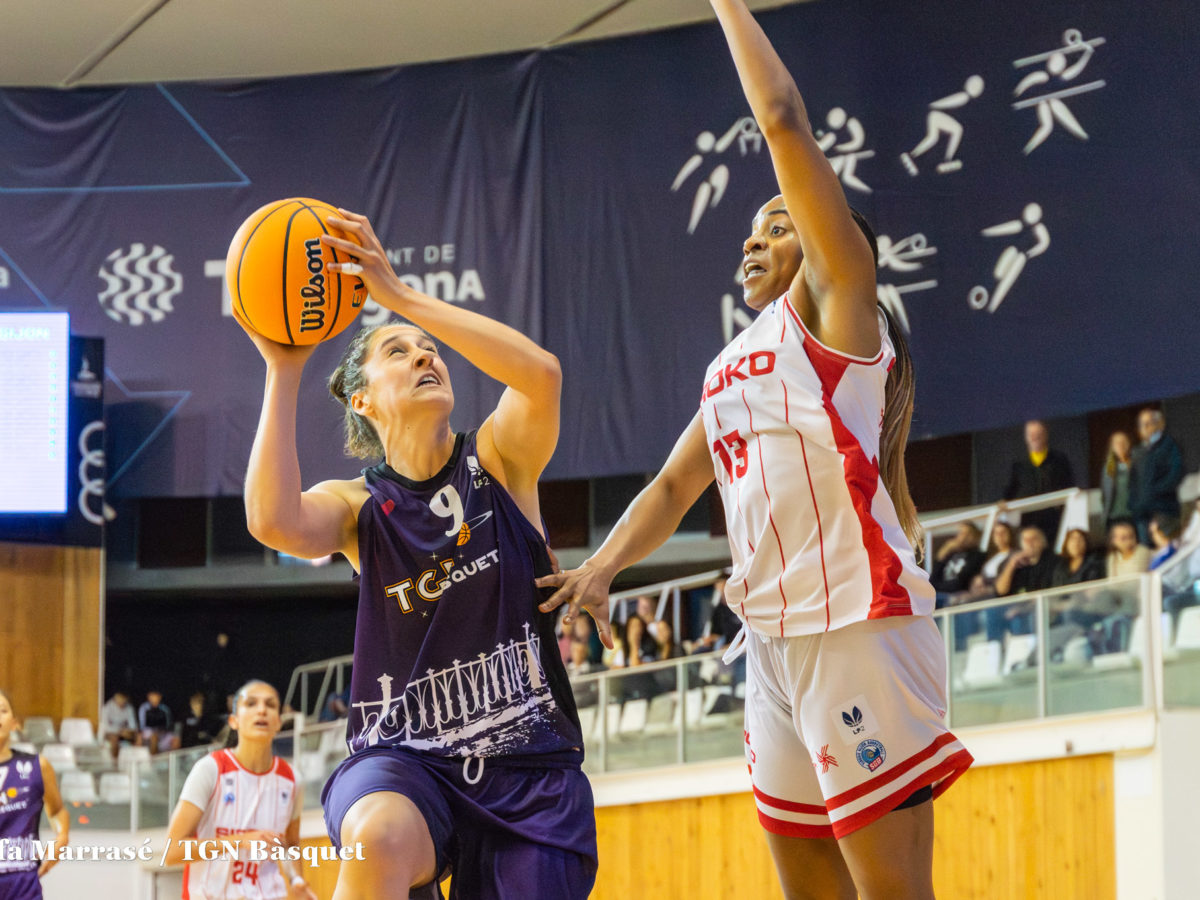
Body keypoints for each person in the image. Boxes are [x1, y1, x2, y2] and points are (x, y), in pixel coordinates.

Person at [538, 4, 971, 895]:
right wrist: (603, 567)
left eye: (780, 224)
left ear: (823, 246)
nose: (754, 236)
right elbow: (670, 485)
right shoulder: (732, 363)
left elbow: (780, 119)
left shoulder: (841, 314)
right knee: (805, 881)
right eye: (755, 227)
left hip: (855, 622)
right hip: (770, 638)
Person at [240, 208, 596, 900]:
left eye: (428, 347)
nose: (424, 354)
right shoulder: (357, 506)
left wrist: (400, 298)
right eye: (398, 351)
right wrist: (282, 369)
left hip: (528, 765)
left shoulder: (499, 461)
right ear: (364, 399)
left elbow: (541, 376)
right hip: (404, 762)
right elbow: (272, 520)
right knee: (373, 840)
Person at [164, 680, 315, 900]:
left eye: (270, 705)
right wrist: (239, 841)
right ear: (234, 721)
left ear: (278, 722)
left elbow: (290, 844)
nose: (262, 709)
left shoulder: (292, 779)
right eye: (251, 703)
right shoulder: (210, 769)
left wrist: (296, 880)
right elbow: (172, 851)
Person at [0, 689, 69, 900]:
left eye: (2, 710)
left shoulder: (37, 766)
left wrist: (62, 836)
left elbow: (57, 810)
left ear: (15, 723)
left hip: (23, 886)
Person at [1002, 420, 1075, 540]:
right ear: (1026, 438)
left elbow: (1069, 486)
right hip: (1028, 521)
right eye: (1031, 434)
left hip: (1053, 521)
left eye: (1038, 434)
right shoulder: (1019, 464)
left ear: (1046, 435)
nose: (1035, 437)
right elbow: (1011, 489)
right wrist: (1004, 501)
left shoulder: (1059, 460)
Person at [1129, 408, 1184, 544]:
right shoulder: (1137, 452)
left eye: (1149, 423)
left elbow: (1176, 473)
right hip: (1141, 514)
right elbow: (1132, 483)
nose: (1145, 427)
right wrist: (1133, 505)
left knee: (1167, 553)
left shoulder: (1169, 445)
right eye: (1142, 424)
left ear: (1158, 425)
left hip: (1164, 510)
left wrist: (1156, 491)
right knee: (1149, 558)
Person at [930, 522, 987, 601]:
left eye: (967, 534)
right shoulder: (950, 555)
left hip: (958, 595)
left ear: (974, 537)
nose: (963, 538)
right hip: (940, 593)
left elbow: (961, 583)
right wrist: (941, 555)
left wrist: (937, 587)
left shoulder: (977, 556)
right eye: (961, 534)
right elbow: (932, 580)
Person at [1100, 431, 1134, 530]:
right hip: (1113, 517)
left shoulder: (1137, 464)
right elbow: (1104, 495)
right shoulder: (1107, 468)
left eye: (1123, 442)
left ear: (1128, 444)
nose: (1120, 446)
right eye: (1117, 443)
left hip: (1133, 516)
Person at [97, 690, 140, 761]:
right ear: (115, 698)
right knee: (114, 739)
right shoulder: (107, 707)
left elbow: (133, 725)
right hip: (110, 733)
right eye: (119, 698)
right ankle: (115, 762)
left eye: (123, 699)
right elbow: (105, 726)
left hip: (123, 732)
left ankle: (135, 761)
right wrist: (119, 731)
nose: (121, 701)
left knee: (138, 737)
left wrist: (128, 731)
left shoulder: (129, 708)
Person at [139, 690, 177, 754]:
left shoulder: (165, 709)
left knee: (175, 739)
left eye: (156, 696)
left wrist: (162, 730)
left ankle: (171, 761)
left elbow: (169, 725)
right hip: (148, 732)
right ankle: (153, 761)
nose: (155, 699)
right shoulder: (144, 708)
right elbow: (142, 725)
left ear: (160, 697)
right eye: (152, 696)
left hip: (163, 732)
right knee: (154, 737)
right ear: (149, 697)